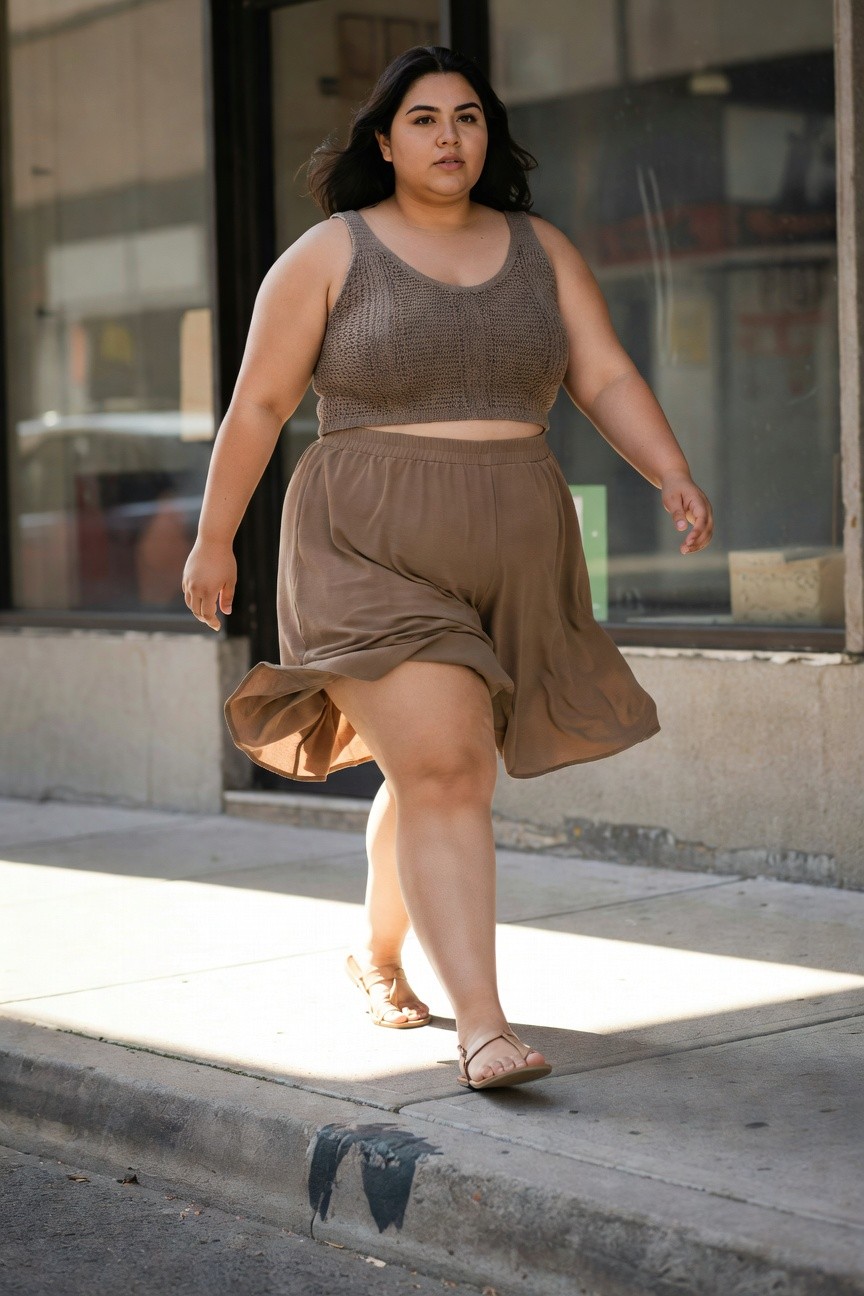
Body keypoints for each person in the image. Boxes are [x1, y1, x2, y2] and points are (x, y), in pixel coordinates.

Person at [181, 45, 713, 1092]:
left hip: (513, 541)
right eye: (424, 119)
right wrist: (212, 536)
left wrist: (671, 469)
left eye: (468, 117)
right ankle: (484, 1028)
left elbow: (602, 372)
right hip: (366, 539)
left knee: (434, 768)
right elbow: (257, 405)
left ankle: (376, 955)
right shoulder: (331, 254)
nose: (449, 137)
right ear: (384, 140)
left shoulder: (538, 248)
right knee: (446, 769)